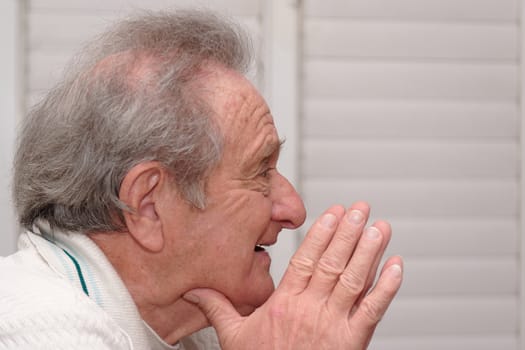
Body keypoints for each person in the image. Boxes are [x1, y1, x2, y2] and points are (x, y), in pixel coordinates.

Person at [0, 9, 403, 350]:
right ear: (148, 206)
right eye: (260, 171)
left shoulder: (196, 328)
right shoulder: (42, 331)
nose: (294, 210)